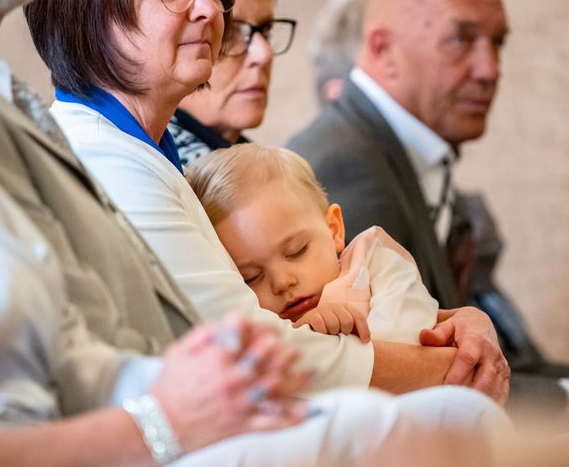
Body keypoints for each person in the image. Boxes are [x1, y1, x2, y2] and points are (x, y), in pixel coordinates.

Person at [0, 0, 514, 465]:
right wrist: (456, 363)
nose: (209, 8)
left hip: (171, 409)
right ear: (90, 3)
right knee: (452, 421)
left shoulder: (146, 151)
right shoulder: (106, 155)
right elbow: (257, 345)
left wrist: (450, 321)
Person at [288, 0, 569, 419]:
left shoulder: (406, 155)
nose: (490, 70)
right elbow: (388, 373)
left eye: (498, 43)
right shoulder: (347, 164)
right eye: (461, 39)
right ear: (383, 49)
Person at [187, 143, 440, 349]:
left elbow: (413, 338)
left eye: (296, 251)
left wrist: (337, 343)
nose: (283, 282)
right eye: (250, 278)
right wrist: (307, 342)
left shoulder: (374, 262)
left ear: (334, 230)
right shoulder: (259, 336)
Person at [168, 0, 296, 166]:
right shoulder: (167, 176)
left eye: (266, 29)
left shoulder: (253, 170)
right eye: (228, 33)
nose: (264, 54)